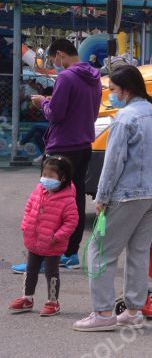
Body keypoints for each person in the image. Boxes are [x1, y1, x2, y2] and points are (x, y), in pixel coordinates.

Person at [73, 65, 152, 332]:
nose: (110, 95)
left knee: (100, 251)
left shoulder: (125, 118)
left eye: (113, 90)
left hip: (128, 193)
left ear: (126, 89)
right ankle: (133, 310)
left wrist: (102, 197)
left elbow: (113, 162)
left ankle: (103, 312)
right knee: (138, 252)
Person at [12, 39, 101, 274]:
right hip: (83, 145)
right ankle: (70, 253)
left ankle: (43, 257)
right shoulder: (94, 77)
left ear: (60, 54)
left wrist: (43, 103)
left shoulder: (66, 77)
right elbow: (88, 111)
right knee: (75, 200)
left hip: (62, 146)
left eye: (53, 60)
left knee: (49, 203)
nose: (55, 64)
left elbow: (56, 114)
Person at [8, 156, 78, 317]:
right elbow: (29, 207)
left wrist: (57, 237)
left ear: (62, 178)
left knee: (51, 273)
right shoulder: (39, 190)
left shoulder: (67, 199)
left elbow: (71, 222)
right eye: (44, 174)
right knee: (30, 269)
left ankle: (53, 302)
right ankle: (27, 298)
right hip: (34, 240)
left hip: (53, 244)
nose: (46, 179)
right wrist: (25, 225)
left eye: (51, 176)